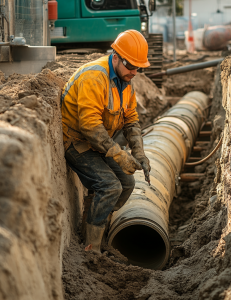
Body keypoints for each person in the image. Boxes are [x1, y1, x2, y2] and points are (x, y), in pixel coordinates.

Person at [61, 30, 151, 253]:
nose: (135, 72)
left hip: (98, 142)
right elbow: (89, 126)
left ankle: (97, 229)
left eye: (139, 68)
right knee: (109, 186)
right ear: (116, 57)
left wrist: (139, 152)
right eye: (131, 66)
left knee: (127, 184)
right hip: (77, 142)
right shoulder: (95, 77)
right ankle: (91, 249)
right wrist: (120, 155)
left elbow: (131, 120)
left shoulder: (125, 81)